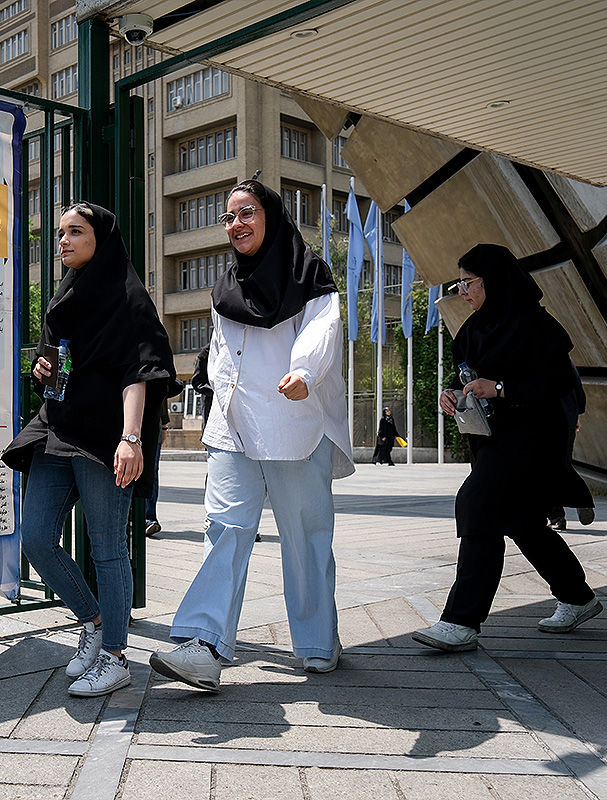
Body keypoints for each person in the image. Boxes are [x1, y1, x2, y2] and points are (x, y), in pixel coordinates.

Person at [149, 179, 354, 691]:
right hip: (234, 426)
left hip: (296, 424)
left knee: (305, 538)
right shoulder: (225, 288)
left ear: (271, 216)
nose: (236, 224)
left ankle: (315, 641)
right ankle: (204, 644)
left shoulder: (309, 275)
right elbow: (219, 352)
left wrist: (304, 372)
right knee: (223, 529)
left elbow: (322, 328)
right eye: (228, 217)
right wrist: (217, 394)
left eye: (246, 213)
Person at [2, 202, 178, 697]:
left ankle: (117, 656)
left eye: (75, 232)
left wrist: (131, 439)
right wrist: (41, 369)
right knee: (36, 537)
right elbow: (59, 360)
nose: (63, 241)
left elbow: (140, 371)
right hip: (57, 428)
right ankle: (94, 621)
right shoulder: (66, 292)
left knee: (107, 550)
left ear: (100, 237)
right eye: (60, 233)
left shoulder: (128, 297)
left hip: (105, 437)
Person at [413, 244, 601, 653]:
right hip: (494, 441)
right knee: (521, 521)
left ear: (493, 280)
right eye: (458, 283)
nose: (461, 291)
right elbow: (468, 378)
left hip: (534, 440)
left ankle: (461, 621)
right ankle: (577, 596)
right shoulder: (473, 329)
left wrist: (500, 388)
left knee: (477, 504)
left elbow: (558, 387)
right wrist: (452, 395)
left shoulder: (538, 327)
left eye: (468, 282)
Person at [547, 361, 596, 530]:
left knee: (545, 467)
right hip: (566, 417)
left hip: (542, 420)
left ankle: (556, 516)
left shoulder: (528, 356)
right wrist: (576, 415)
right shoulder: (564, 360)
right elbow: (577, 387)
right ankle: (579, 497)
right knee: (562, 463)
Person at [143, 402, 170, 537]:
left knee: (151, 472)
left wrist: (164, 425)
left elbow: (162, 393)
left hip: (152, 425)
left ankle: (148, 518)